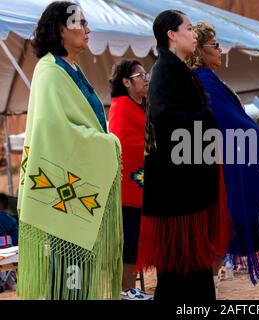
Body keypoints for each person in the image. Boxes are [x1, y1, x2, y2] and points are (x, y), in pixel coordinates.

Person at [17, 1, 123, 299]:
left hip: (75, 185)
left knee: (79, 275)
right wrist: (108, 142)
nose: (88, 29)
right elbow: (54, 129)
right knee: (68, 276)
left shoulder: (72, 69)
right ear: (61, 29)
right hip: (62, 187)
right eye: (81, 23)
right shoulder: (49, 70)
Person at [135, 10, 231, 301]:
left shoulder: (178, 70)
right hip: (176, 192)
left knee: (192, 270)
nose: (193, 34)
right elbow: (164, 119)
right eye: (188, 28)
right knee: (179, 272)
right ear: (171, 35)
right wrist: (205, 117)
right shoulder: (165, 70)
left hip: (187, 187)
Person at [187, 23, 259, 284]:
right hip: (213, 167)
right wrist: (253, 131)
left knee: (219, 231)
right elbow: (228, 122)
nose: (220, 50)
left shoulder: (207, 79)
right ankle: (205, 285)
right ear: (199, 50)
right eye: (214, 45)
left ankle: (209, 283)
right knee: (217, 230)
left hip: (213, 163)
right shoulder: (203, 81)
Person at [108, 60, 153, 300]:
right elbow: (123, 145)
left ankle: (129, 289)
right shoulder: (121, 107)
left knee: (135, 242)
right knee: (130, 242)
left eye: (146, 74)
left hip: (141, 187)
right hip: (128, 190)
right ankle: (125, 290)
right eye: (140, 75)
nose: (146, 78)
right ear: (126, 82)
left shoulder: (141, 106)